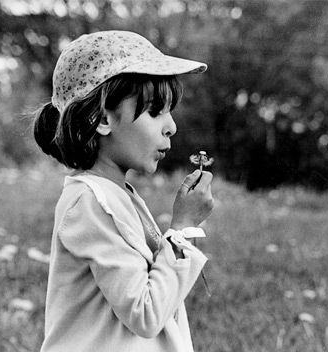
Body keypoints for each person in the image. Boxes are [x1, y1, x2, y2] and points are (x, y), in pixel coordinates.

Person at [33, 30, 214, 352]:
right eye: (156, 111)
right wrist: (183, 228)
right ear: (101, 118)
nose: (171, 126)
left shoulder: (117, 193)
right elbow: (145, 313)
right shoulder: (90, 202)